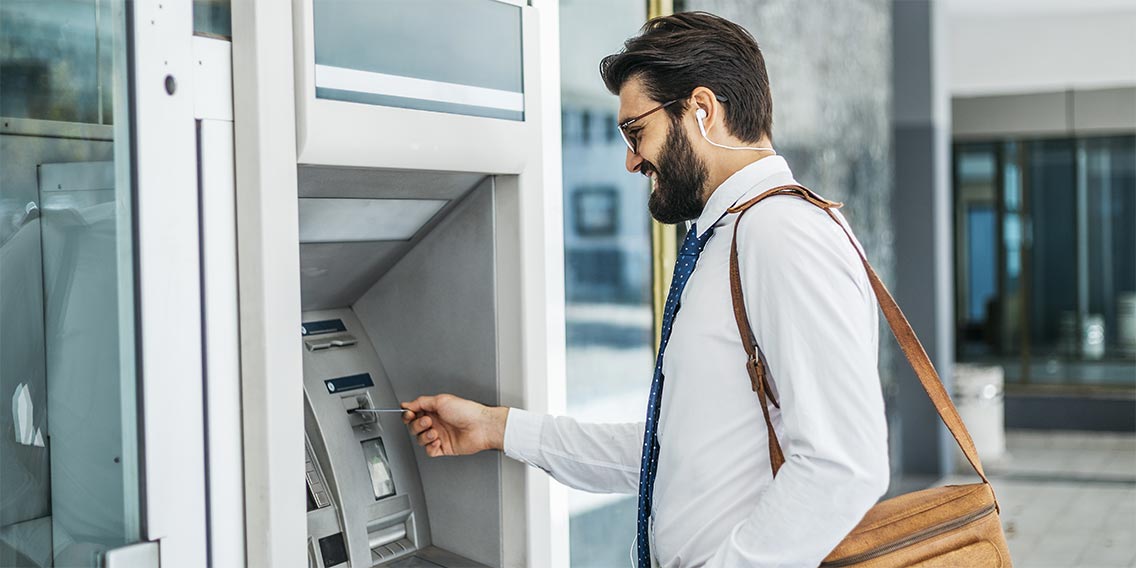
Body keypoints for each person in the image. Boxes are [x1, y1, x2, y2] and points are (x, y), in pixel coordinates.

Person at [401, 11, 889, 567]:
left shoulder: (782, 234)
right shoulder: (730, 238)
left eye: (636, 132)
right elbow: (672, 452)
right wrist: (497, 428)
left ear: (702, 110)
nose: (632, 160)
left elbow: (844, 464)